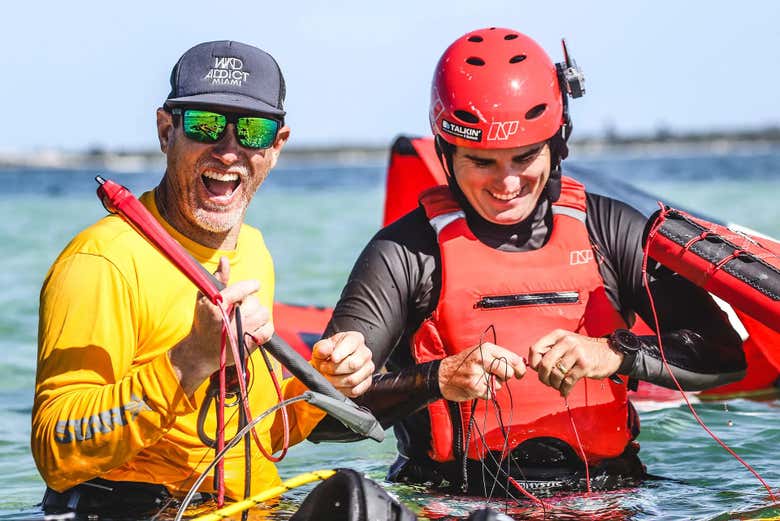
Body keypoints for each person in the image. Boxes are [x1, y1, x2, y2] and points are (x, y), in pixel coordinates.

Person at [310, 27, 746, 496]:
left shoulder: (612, 230)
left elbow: (724, 357)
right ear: (447, 151)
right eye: (482, 162)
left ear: (557, 144)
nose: (508, 183)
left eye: (525, 157)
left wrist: (614, 353)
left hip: (610, 494)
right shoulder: (403, 254)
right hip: (455, 499)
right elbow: (318, 420)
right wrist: (437, 379)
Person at [32, 40, 374, 515]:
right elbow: (55, 452)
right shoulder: (100, 262)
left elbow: (259, 436)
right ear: (165, 130)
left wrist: (319, 386)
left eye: (252, 130)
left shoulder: (253, 249)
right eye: (206, 124)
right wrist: (184, 363)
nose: (228, 150)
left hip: (247, 503)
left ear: (277, 146)